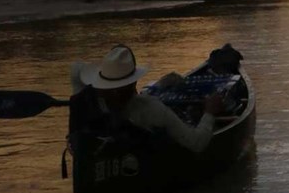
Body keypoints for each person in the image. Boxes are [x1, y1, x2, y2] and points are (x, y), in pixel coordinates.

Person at [70, 44, 222, 153]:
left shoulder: (89, 100)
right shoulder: (151, 109)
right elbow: (196, 143)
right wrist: (209, 112)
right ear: (133, 83)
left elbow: (76, 68)